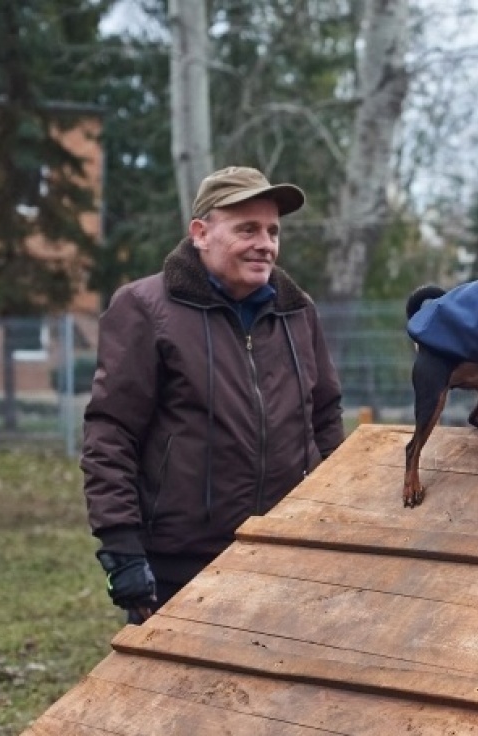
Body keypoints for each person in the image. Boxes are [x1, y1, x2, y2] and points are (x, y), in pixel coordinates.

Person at [81, 166, 345, 623]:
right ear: (200, 233)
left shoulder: (296, 311)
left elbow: (325, 418)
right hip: (180, 565)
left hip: (286, 555)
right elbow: (112, 430)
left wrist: (338, 518)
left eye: (273, 230)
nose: (265, 243)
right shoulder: (145, 308)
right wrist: (121, 545)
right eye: (247, 229)